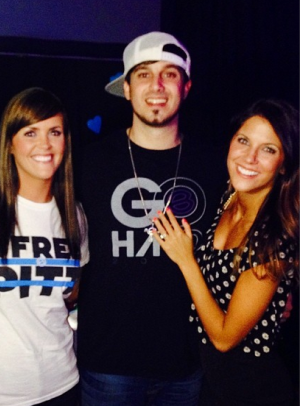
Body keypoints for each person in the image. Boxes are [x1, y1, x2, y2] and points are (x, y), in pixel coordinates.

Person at [76, 32, 226, 405]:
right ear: (126, 89)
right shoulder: (87, 163)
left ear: (186, 87)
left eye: (169, 75)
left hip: (185, 367)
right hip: (107, 366)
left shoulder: (216, 165)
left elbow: (249, 233)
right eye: (143, 75)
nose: (156, 86)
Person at [153, 99, 299, 405]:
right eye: (244, 141)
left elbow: (223, 338)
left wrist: (185, 259)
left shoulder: (274, 238)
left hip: (251, 387)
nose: (250, 157)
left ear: (284, 164)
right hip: (209, 379)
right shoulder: (230, 196)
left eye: (268, 149)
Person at [0, 87, 89, 406]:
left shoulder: (74, 214)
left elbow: (73, 289)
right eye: (30, 132)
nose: (44, 144)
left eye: (54, 132)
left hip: (61, 383)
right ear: (11, 145)